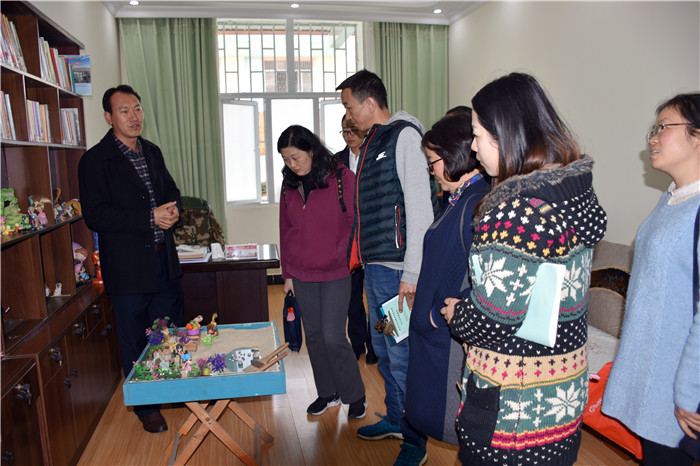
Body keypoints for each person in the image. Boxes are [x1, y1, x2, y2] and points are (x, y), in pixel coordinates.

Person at [441, 72, 607, 465]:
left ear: (507, 135)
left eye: (478, 135)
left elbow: (493, 319)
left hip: (513, 407)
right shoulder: (570, 196)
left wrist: (457, 314)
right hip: (559, 394)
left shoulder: (515, 211)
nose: (474, 147)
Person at [336, 69, 438, 441]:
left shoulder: (404, 136)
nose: (348, 116)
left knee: (401, 352)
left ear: (369, 103)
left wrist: (412, 273)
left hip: (398, 273)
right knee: (383, 345)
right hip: (378, 270)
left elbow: (420, 208)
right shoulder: (374, 142)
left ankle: (414, 436)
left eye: (350, 107)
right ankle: (396, 416)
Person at [78, 84, 184, 434]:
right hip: (127, 269)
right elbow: (96, 215)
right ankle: (147, 407)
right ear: (109, 117)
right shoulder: (95, 160)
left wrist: (173, 210)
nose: (134, 116)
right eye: (124, 110)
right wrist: (149, 217)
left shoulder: (151, 151)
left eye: (137, 108)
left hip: (163, 260)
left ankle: (172, 388)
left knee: (169, 333)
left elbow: (171, 191)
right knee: (136, 340)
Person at [602, 92, 700, 466]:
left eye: (663, 127)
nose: (652, 139)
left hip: (680, 389)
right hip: (653, 377)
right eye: (652, 130)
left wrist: (689, 392)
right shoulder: (672, 198)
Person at [397, 113, 490, 465]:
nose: (432, 170)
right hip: (437, 331)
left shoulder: (477, 203)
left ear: (454, 156)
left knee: (458, 423)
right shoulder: (460, 198)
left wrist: (438, 316)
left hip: (448, 337)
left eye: (433, 161)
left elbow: (482, 279)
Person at [278, 124, 367, 419]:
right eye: (286, 159)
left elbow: (356, 222)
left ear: (312, 150)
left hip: (336, 271)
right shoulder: (289, 184)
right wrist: (287, 273)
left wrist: (339, 253)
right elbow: (285, 228)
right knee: (314, 337)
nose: (292, 164)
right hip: (301, 274)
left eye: (296, 157)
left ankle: (355, 395)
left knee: (333, 337)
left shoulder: (342, 178)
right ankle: (327, 392)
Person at [334, 115, 377, 363]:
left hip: (373, 238)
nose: (349, 136)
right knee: (352, 298)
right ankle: (358, 341)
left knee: (377, 298)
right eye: (344, 131)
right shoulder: (336, 162)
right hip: (348, 241)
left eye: (352, 130)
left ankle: (376, 346)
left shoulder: (375, 156)